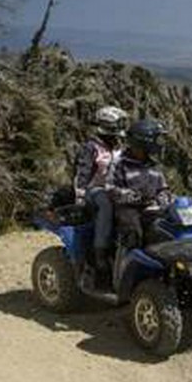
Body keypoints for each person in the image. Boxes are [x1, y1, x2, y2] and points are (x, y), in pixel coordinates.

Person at [74, 105, 128, 271]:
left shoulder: (118, 146)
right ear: (108, 126)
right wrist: (81, 194)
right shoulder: (92, 147)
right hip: (94, 189)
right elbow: (83, 172)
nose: (121, 128)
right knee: (106, 204)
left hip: (114, 188)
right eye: (118, 125)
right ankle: (100, 251)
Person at [109, 117, 173, 249]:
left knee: (169, 228)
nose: (159, 143)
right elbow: (111, 189)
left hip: (152, 208)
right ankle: (124, 264)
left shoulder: (154, 165)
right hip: (128, 208)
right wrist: (137, 197)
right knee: (133, 231)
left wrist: (165, 199)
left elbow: (163, 188)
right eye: (157, 139)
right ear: (144, 141)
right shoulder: (119, 163)